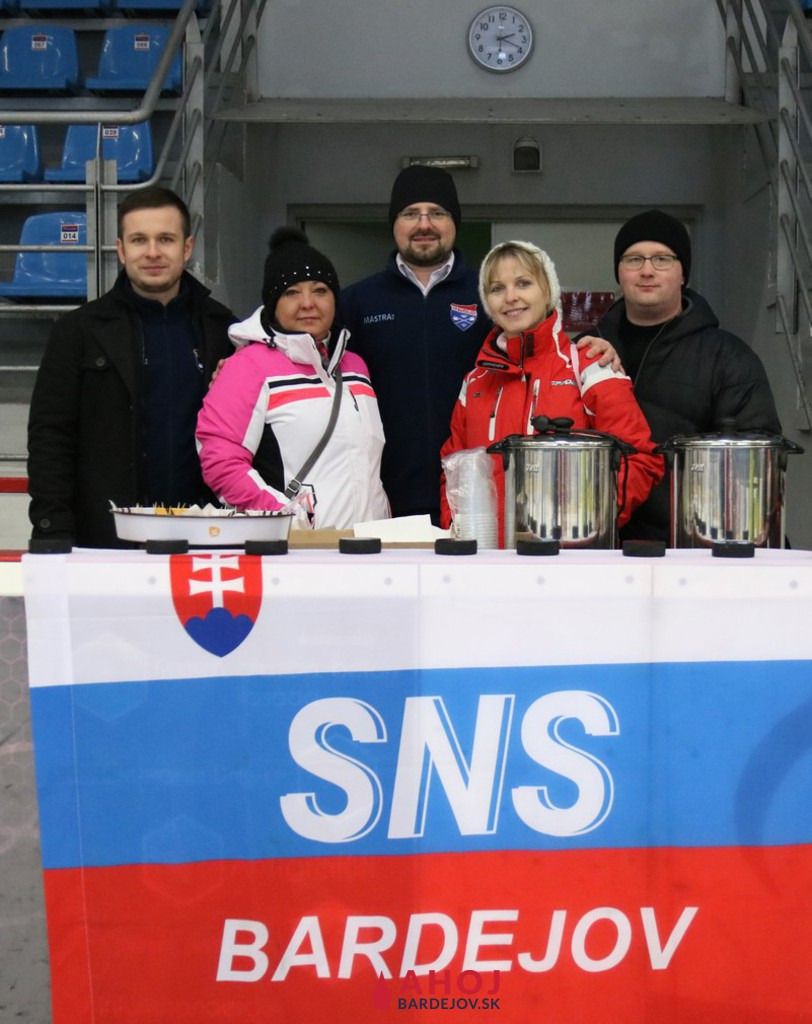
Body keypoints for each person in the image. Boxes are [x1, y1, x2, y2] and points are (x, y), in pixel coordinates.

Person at [27, 185, 236, 549]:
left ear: (187, 248)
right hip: (107, 541)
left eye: (166, 239)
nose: (153, 252)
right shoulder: (78, 331)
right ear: (121, 250)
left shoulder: (226, 330)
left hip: (207, 537)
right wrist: (52, 529)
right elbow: (51, 439)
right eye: (139, 240)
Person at [578, 209, 781, 542]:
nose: (646, 271)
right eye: (634, 259)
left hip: (691, 547)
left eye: (662, 259)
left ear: (683, 273)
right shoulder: (586, 351)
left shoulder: (728, 356)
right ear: (619, 272)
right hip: (597, 544)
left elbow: (757, 461)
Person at [440, 240, 663, 542]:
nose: (511, 297)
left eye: (524, 283)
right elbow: (453, 470)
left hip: (569, 559)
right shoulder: (476, 381)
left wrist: (585, 523)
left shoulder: (589, 363)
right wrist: (458, 533)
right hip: (488, 560)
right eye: (497, 288)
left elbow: (639, 458)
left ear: (548, 291)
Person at [196, 228, 390, 529]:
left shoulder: (355, 366)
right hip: (296, 547)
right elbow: (220, 460)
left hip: (368, 545)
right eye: (292, 292)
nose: (308, 303)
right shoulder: (247, 367)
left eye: (320, 290)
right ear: (273, 303)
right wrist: (284, 518)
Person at [341, 165, 491, 524]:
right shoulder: (355, 302)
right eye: (411, 214)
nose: (424, 224)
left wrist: (591, 347)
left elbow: (540, 349)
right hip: (381, 497)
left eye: (437, 213)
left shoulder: (490, 295)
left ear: (454, 223)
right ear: (394, 224)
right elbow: (305, 360)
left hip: (474, 496)